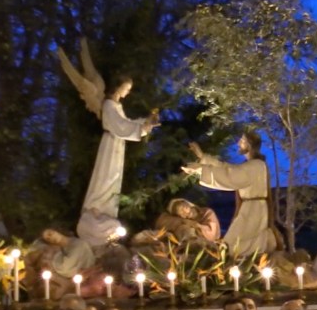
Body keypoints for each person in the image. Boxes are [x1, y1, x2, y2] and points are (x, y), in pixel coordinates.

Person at [76, 75, 160, 247]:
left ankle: (105, 212)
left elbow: (125, 123)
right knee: (106, 177)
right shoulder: (108, 105)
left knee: (113, 178)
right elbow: (118, 125)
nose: (127, 92)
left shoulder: (117, 106)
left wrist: (145, 122)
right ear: (117, 87)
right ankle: (96, 209)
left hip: (117, 145)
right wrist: (141, 127)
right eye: (126, 88)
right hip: (110, 145)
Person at [183, 132, 278, 257]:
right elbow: (226, 168)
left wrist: (200, 170)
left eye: (242, 141)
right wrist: (203, 157)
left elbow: (230, 176)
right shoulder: (252, 165)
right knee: (236, 243)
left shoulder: (255, 166)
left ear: (249, 145)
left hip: (253, 212)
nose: (239, 143)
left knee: (237, 244)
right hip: (251, 209)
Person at [153, 198, 221, 245]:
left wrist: (196, 225)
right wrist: (184, 221)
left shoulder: (207, 212)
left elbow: (212, 234)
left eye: (183, 208)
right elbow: (161, 221)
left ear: (188, 204)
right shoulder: (185, 222)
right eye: (180, 214)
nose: (184, 213)